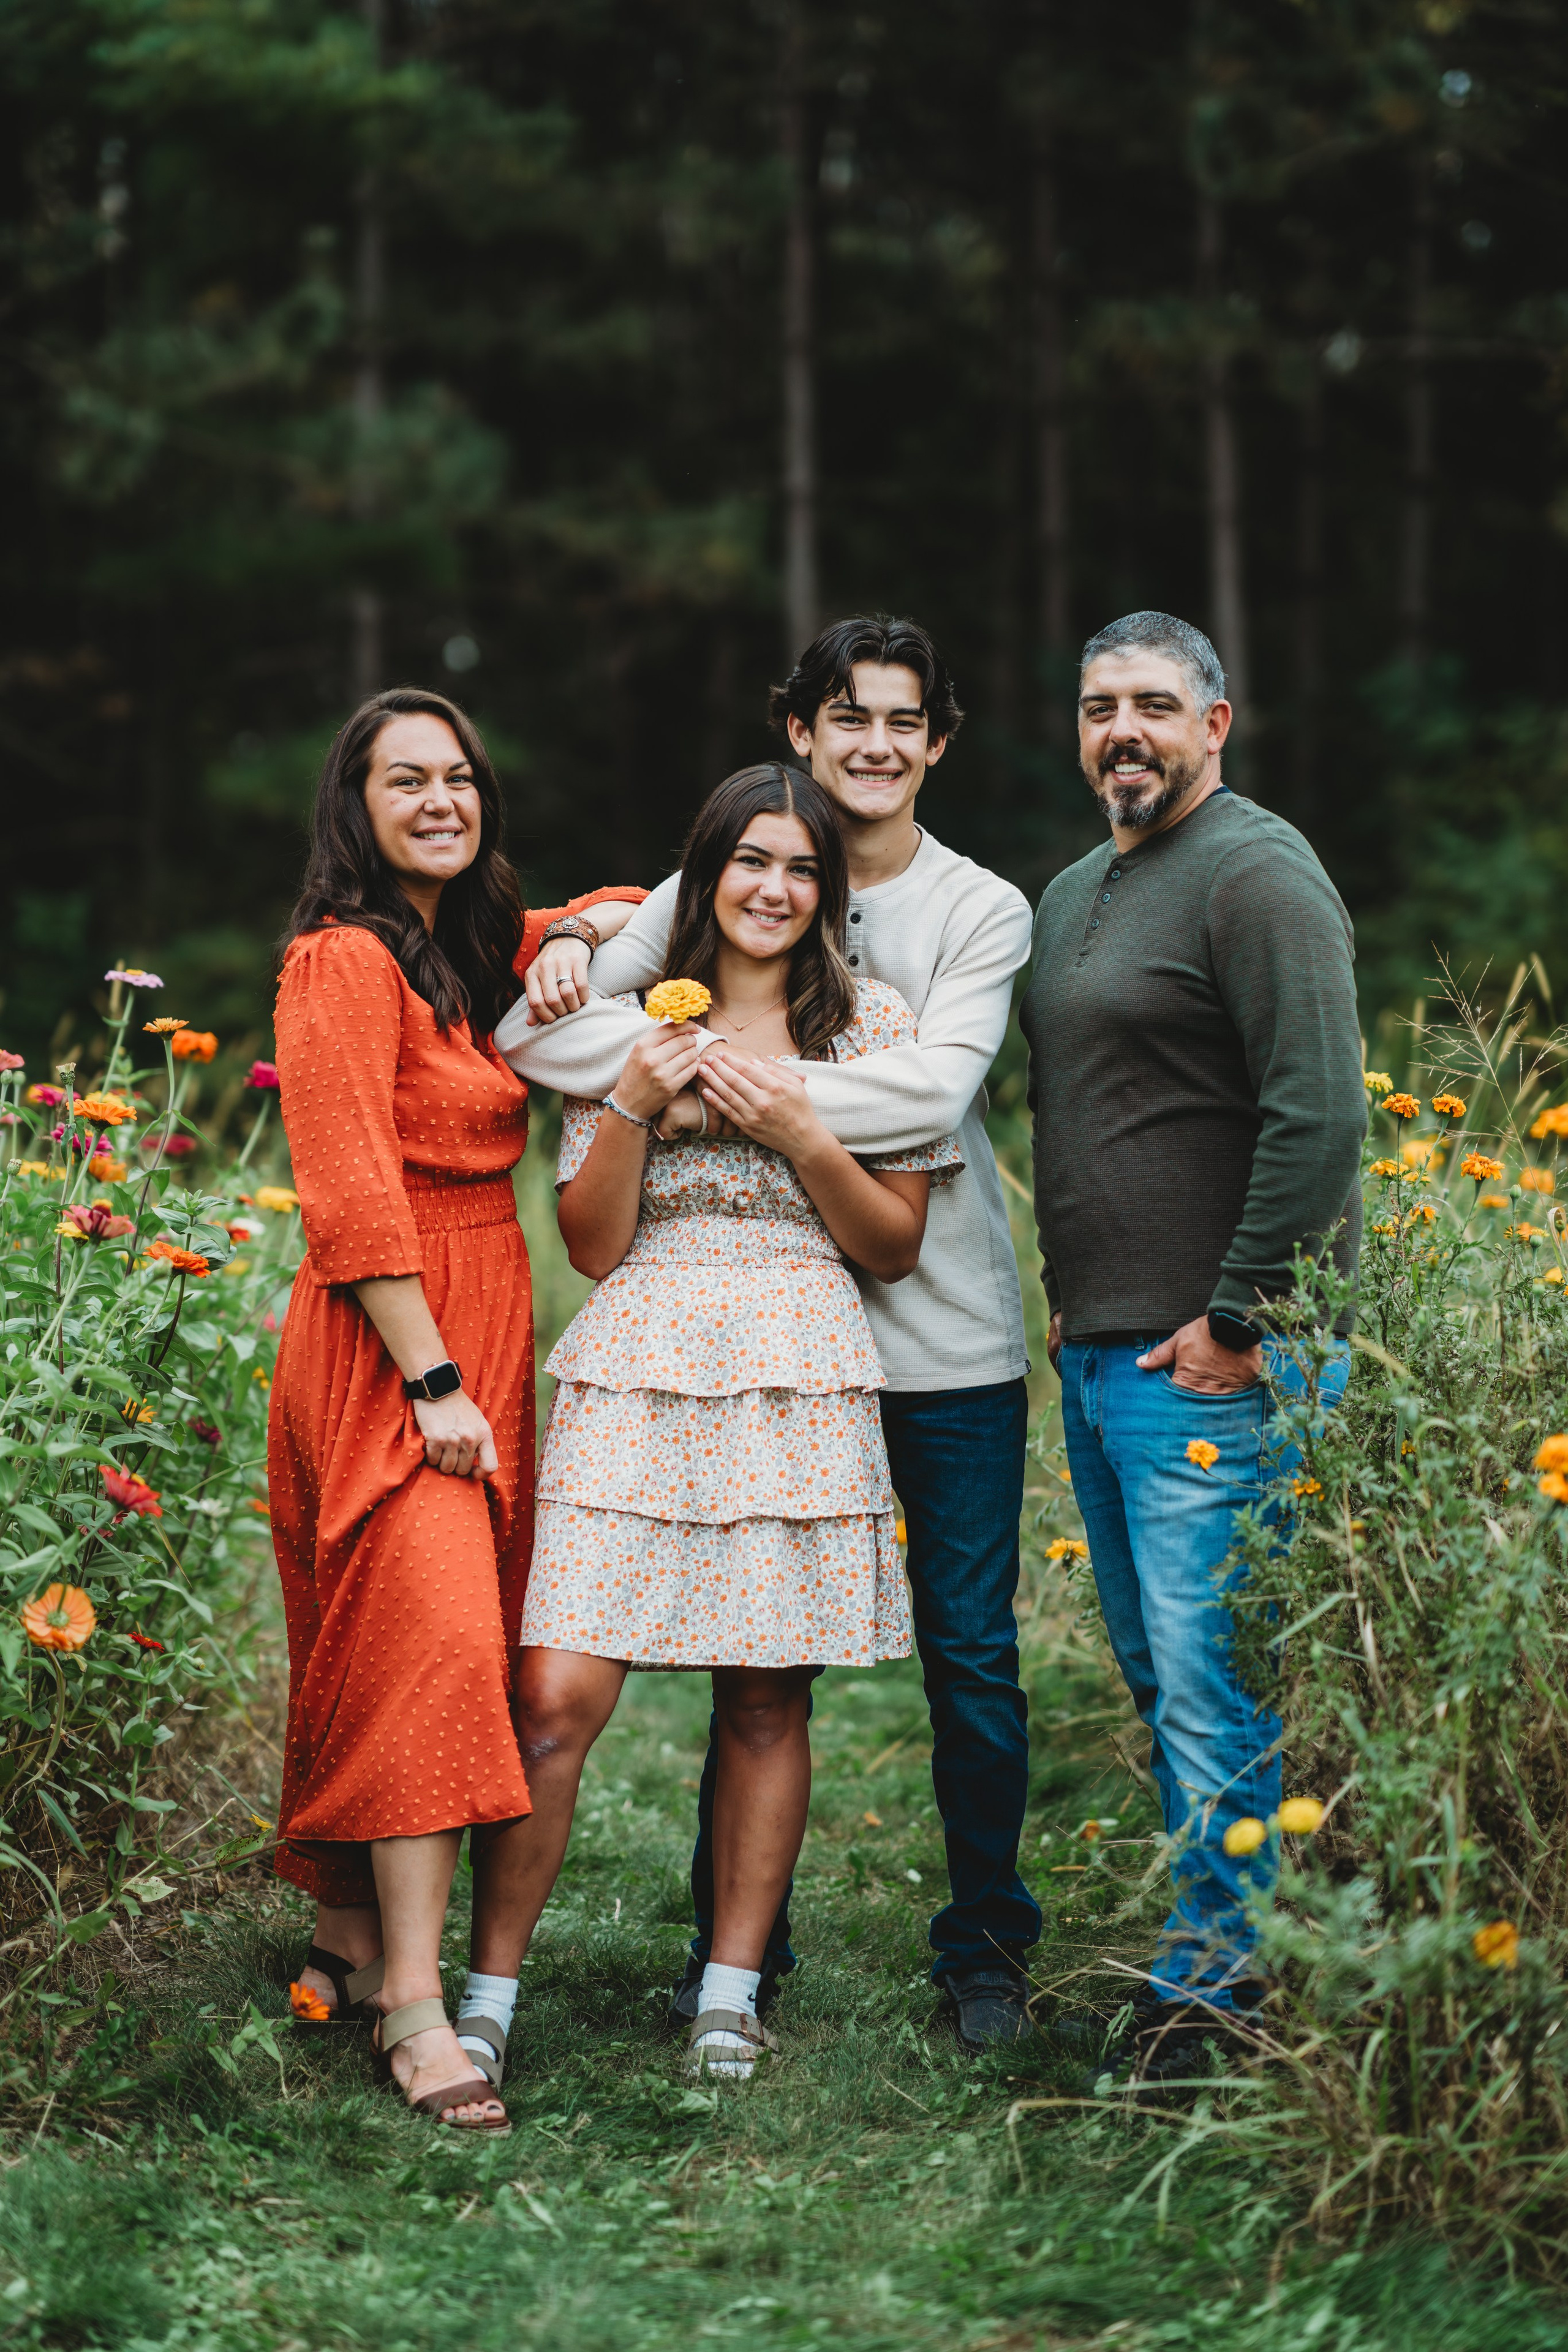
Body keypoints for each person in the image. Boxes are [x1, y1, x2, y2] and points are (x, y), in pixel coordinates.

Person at [497, 615, 1044, 2050]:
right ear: (794, 735)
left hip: (918, 1340)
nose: (873, 743)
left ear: (937, 742)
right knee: (649, 1669)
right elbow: (548, 1040)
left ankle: (975, 1954)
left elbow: (928, 1099)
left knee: (948, 1662)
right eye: (844, 716)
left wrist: (739, 1098)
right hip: (682, 1342)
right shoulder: (711, 881)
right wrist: (574, 959)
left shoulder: (972, 915)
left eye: (902, 720)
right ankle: (701, 1966)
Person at [268, 685, 644, 2130]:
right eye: (403, 781)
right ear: (351, 809)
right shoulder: (342, 963)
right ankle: (420, 2016)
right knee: (422, 1632)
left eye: (460, 778)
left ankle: (354, 1934)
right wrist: (431, 1379)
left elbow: (628, 900)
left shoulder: (463, 951)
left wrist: (566, 949)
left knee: (430, 1629)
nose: (439, 800)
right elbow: (349, 1186)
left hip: (484, 1310)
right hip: (395, 1328)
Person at [1018, 611, 1365, 2086]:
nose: (1122, 732)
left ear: (1214, 723)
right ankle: (1212, 1955)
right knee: (1166, 1683)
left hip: (1215, 1367)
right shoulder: (1072, 889)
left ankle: (1223, 2002)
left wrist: (1237, 1319)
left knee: (1216, 1683)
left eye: (1154, 705)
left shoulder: (1256, 871)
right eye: (1099, 705)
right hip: (1107, 1364)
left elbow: (1321, 1115)